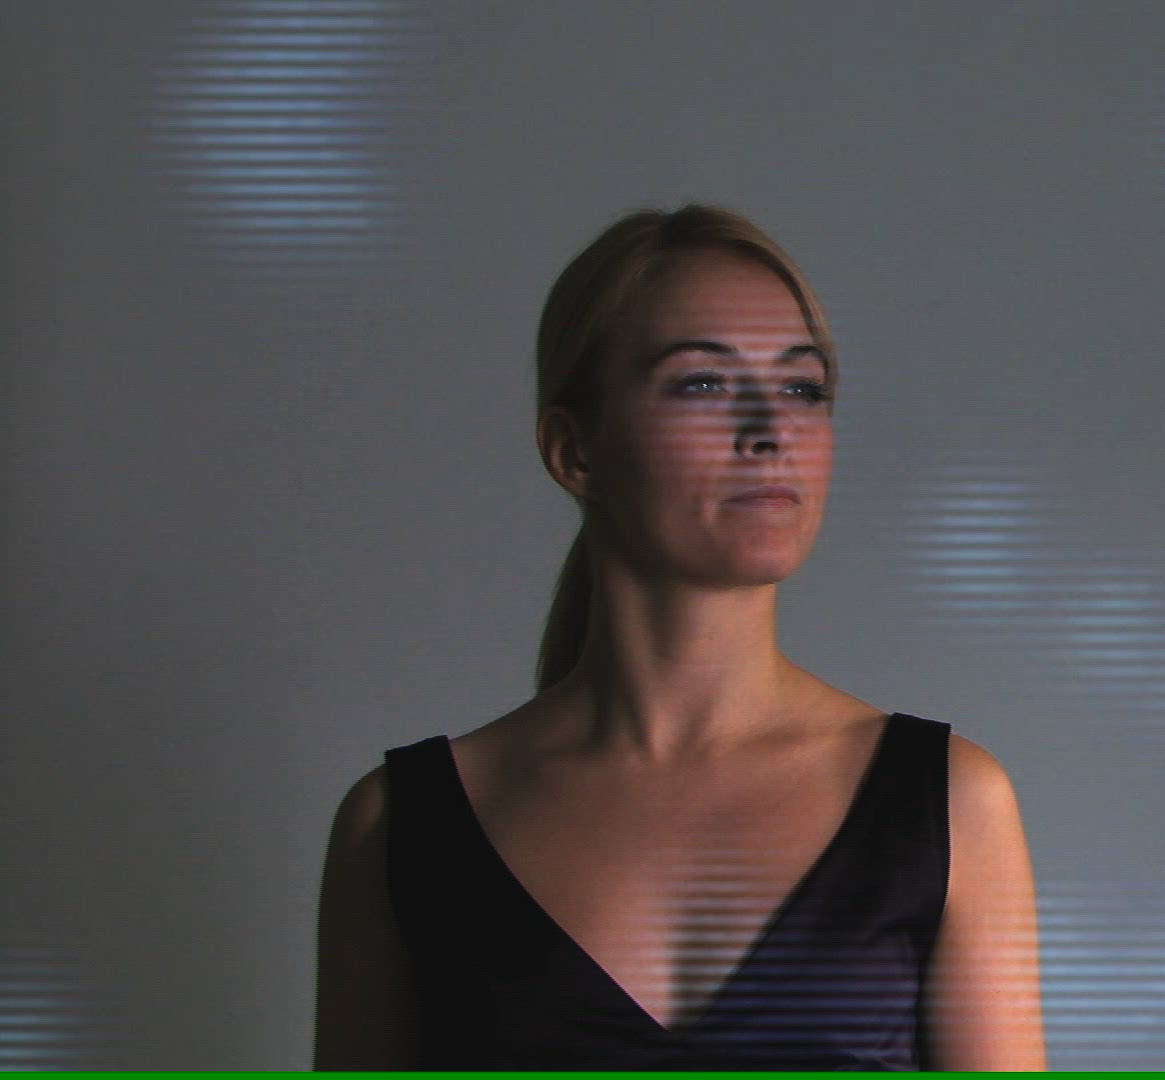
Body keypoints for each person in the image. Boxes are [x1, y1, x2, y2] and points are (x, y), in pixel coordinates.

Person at [312, 206, 1047, 1070]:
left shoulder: (954, 805)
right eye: (702, 383)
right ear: (573, 450)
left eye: (803, 389)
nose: (771, 429)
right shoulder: (396, 827)